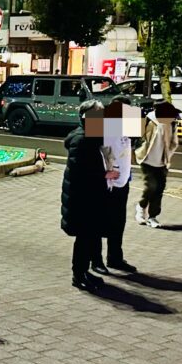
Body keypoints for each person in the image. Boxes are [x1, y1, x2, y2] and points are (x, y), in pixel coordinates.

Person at [62, 100, 111, 292]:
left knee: (90, 238)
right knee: (84, 239)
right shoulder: (81, 140)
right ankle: (78, 275)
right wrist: (105, 174)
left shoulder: (92, 136)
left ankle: (85, 271)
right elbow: (80, 172)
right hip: (82, 199)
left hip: (91, 197)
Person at [100, 99, 139, 274]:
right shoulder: (102, 126)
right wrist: (106, 172)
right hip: (108, 184)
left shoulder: (125, 128)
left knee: (118, 222)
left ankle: (115, 257)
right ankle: (96, 260)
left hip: (123, 182)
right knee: (100, 223)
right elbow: (100, 151)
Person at [137, 101, 180, 229]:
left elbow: (174, 142)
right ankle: (141, 207)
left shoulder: (171, 123)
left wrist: (168, 155)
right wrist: (138, 150)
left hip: (162, 162)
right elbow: (136, 137)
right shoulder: (147, 120)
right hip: (147, 160)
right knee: (151, 187)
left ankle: (152, 216)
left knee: (159, 189)